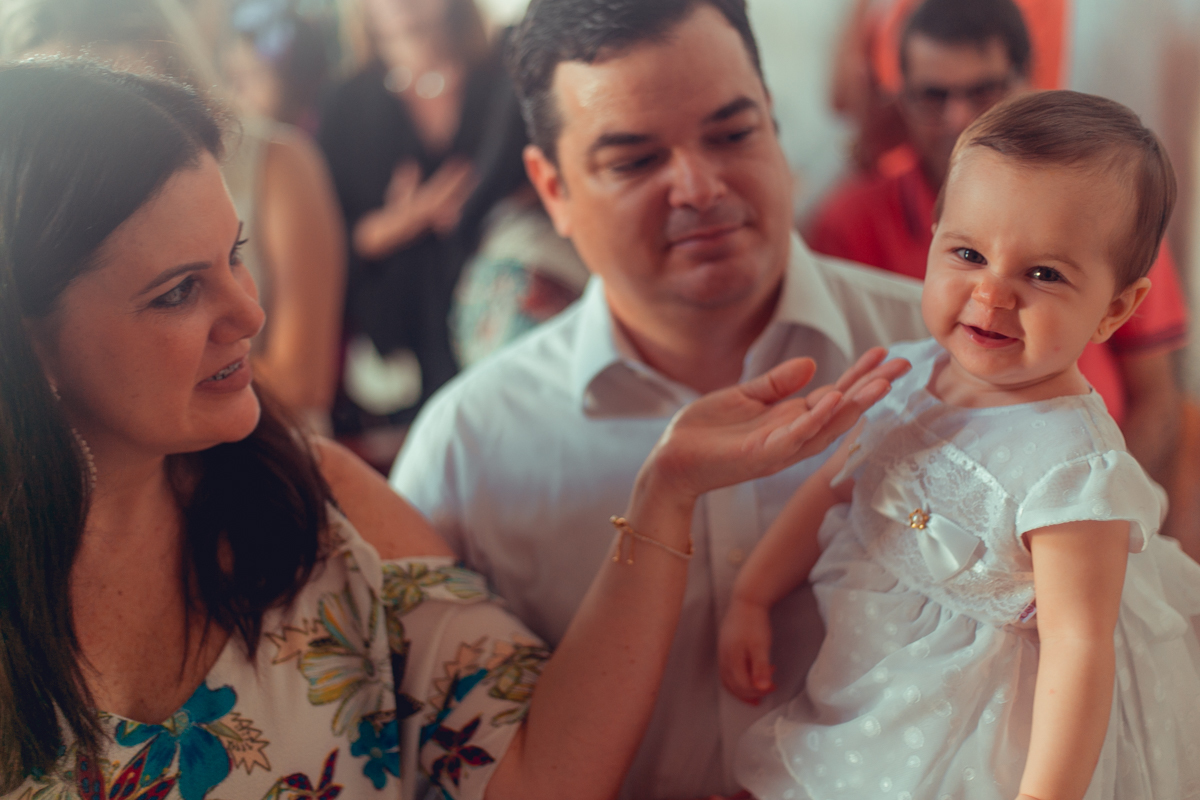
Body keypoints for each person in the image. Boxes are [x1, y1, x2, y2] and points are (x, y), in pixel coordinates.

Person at [0, 59, 910, 800]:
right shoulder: (468, 430)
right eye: (176, 293)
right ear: (29, 344)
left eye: (234, 257)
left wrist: (665, 492)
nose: (248, 312)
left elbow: (536, 775)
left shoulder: (313, 500)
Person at [390, 1, 930, 797]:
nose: (699, 187)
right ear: (554, 189)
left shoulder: (941, 360)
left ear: (774, 125)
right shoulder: (471, 448)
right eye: (635, 160)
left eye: (733, 134)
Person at [721, 90, 1200, 800]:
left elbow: (1079, 651)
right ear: (935, 239)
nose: (992, 293)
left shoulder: (1073, 470)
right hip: (874, 669)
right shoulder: (914, 371)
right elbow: (838, 480)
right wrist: (753, 595)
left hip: (976, 725)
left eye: (1044, 274)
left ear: (1115, 309)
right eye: (969, 253)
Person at [807, 0, 1188, 485]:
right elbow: (852, 418)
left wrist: (1120, 509)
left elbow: (1158, 397)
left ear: (1028, 80)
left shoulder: (1107, 205)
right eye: (933, 95)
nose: (959, 117)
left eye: (983, 90)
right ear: (901, 101)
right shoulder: (850, 220)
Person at [0, 0, 347, 433]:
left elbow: (301, 381)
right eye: (53, 119)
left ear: (164, 67)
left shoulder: (273, 163)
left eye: (237, 252)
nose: (88, 140)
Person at [319, 0, 529, 431]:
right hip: (398, 343)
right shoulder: (344, 104)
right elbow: (328, 240)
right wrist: (411, 217)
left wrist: (484, 206)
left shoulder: (504, 78)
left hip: (500, 319)